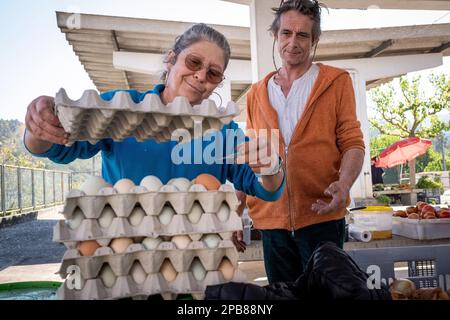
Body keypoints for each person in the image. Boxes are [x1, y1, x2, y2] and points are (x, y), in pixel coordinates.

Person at [24, 24, 285, 202]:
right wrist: (39, 125)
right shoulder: (120, 109)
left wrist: (271, 167)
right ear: (171, 60)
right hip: (124, 253)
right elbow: (57, 149)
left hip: (197, 254)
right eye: (193, 62)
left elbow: (267, 190)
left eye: (213, 72)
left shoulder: (222, 130)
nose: (201, 75)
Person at [233, 0, 365, 283]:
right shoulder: (257, 93)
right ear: (275, 36)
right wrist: (238, 206)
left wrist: (344, 185)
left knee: (326, 294)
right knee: (281, 294)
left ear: (314, 39)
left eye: (303, 35)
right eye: (286, 33)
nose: (293, 42)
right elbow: (252, 155)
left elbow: (353, 142)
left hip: (323, 214)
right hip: (270, 218)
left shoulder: (336, 81)